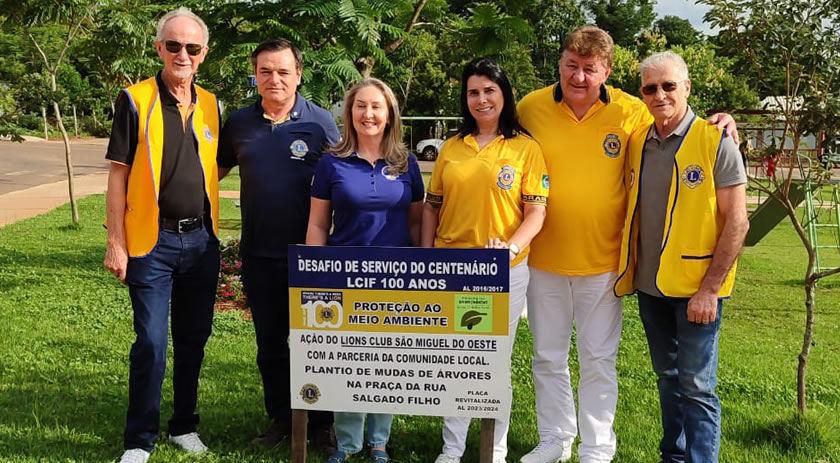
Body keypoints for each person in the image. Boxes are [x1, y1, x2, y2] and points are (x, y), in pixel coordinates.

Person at [516, 26, 738, 463]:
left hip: (605, 263)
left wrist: (722, 119)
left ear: (607, 72)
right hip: (543, 259)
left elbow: (675, 120)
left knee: (599, 362)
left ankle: (597, 449)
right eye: (571, 66)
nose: (578, 77)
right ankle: (555, 440)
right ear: (559, 64)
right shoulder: (530, 108)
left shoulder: (631, 110)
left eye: (590, 69)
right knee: (546, 358)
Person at [615, 51, 748, 463]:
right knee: (668, 380)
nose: (660, 95)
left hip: (698, 291)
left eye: (669, 86)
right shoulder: (638, 142)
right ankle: (673, 456)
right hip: (651, 286)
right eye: (650, 88)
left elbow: (737, 223)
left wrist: (710, 289)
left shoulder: (715, 141)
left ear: (687, 88)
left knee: (696, 386)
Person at [103, 7, 220, 463]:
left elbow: (213, 166)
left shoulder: (211, 104)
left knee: (194, 338)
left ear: (204, 54)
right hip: (151, 244)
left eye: (192, 47)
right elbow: (118, 176)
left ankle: (184, 425)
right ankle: (139, 439)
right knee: (151, 341)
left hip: (202, 242)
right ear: (159, 48)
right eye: (174, 45)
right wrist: (116, 242)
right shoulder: (135, 100)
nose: (183, 54)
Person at [422, 58, 549, 463]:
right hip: (449, 270)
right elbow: (431, 207)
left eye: (489, 91)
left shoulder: (526, 148)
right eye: (473, 92)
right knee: (455, 361)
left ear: (504, 94)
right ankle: (451, 449)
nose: (481, 99)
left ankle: (492, 449)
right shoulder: (451, 147)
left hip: (503, 273)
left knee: (493, 361)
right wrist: (427, 257)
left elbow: (536, 213)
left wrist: (510, 248)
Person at [217, 39, 340, 450]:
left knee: (318, 342)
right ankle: (280, 419)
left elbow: (347, 176)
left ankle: (322, 423)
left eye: (283, 71)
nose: (274, 79)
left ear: (299, 75)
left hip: (312, 257)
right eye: (265, 71)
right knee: (270, 344)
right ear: (255, 75)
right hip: (259, 253)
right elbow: (207, 175)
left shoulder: (321, 123)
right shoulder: (237, 123)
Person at [306, 77, 424, 463]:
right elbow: (319, 223)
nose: (368, 114)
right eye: (360, 107)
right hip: (343, 274)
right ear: (349, 113)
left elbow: (418, 224)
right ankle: (347, 443)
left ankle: (379, 442)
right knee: (347, 358)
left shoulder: (406, 164)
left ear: (389, 114)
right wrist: (314, 272)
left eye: (376, 107)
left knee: (386, 360)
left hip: (395, 277)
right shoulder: (331, 162)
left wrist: (422, 272)